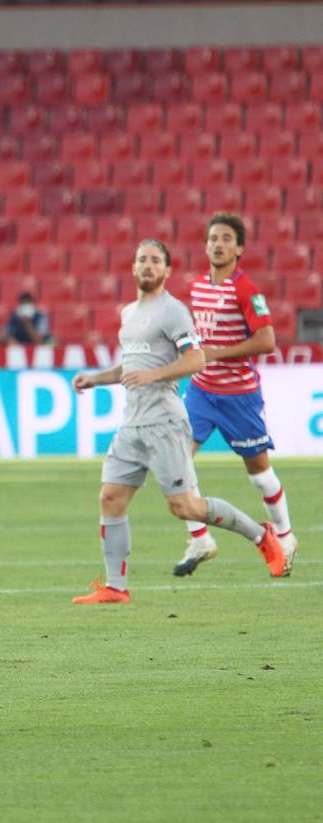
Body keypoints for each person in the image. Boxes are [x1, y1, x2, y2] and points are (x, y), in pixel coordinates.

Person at [70, 240, 286, 605]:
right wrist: (96, 378)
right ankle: (116, 587)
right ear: (133, 268)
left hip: (165, 424)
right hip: (132, 425)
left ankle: (262, 535)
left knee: (185, 507)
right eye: (142, 260)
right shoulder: (128, 314)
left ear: (167, 271)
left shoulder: (174, 313)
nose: (148, 265)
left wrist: (155, 377)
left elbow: (197, 360)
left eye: (156, 261)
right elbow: (133, 367)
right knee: (110, 497)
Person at [174, 212, 297, 577]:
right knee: (177, 461)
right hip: (200, 392)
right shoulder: (197, 287)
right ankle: (200, 538)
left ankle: (286, 536)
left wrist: (216, 353)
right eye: (213, 237)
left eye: (226, 238)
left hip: (239, 396)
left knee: (259, 474)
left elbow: (267, 341)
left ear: (239, 248)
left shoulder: (247, 290)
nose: (218, 243)